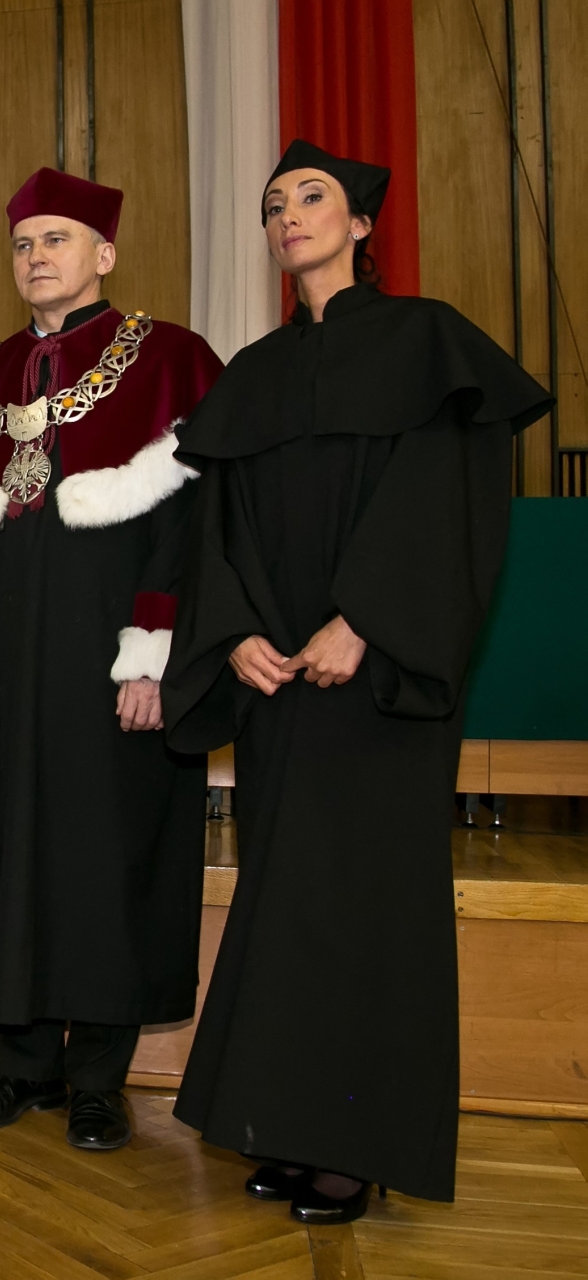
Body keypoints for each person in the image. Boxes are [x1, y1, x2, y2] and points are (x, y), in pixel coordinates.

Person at [161, 141, 551, 1220]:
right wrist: (234, 634)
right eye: (273, 204)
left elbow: (450, 500)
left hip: (378, 682)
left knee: (368, 904)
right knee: (289, 900)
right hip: (282, 682)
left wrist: (368, 622)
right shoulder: (254, 373)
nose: (288, 216)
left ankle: (356, 1143)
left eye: (312, 198)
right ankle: (290, 1127)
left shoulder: (428, 340)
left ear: (363, 224)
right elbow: (217, 526)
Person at [0, 169, 223, 1149]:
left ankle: (99, 1079)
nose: (37, 258)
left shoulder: (171, 359)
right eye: (24, 245)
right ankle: (20, 1067)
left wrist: (154, 651)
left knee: (105, 852)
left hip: (106, 657)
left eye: (57, 240)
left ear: (104, 253)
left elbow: (193, 526)